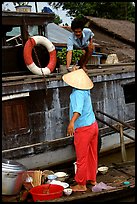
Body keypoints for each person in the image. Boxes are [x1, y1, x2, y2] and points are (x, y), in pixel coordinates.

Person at [62, 69, 99, 192]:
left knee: (81, 158)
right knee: (92, 154)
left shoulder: (76, 94)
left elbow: (78, 110)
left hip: (83, 129)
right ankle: (92, 179)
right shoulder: (85, 90)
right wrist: (76, 71)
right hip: (93, 125)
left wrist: (71, 123)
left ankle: (81, 184)